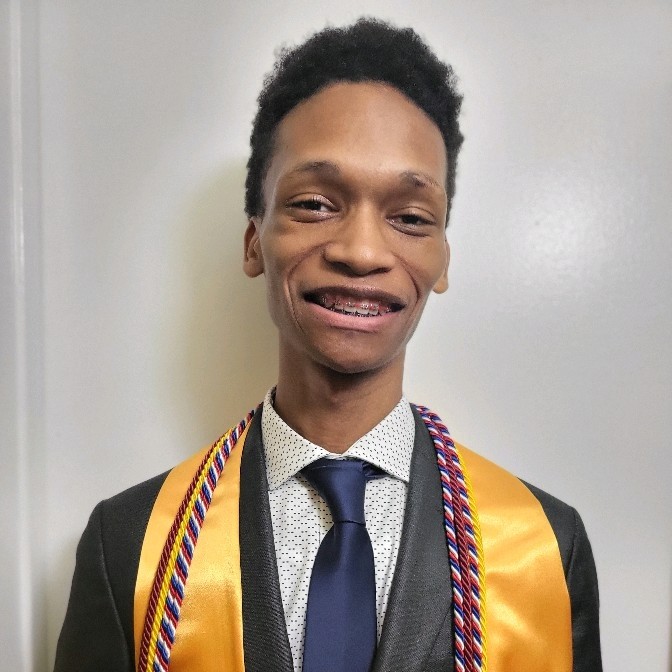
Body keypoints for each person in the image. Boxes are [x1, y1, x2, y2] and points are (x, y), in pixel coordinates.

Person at [54, 18, 602, 672]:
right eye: (315, 203)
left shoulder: (544, 547)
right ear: (255, 240)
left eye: (409, 217)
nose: (362, 251)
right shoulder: (132, 549)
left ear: (442, 259)